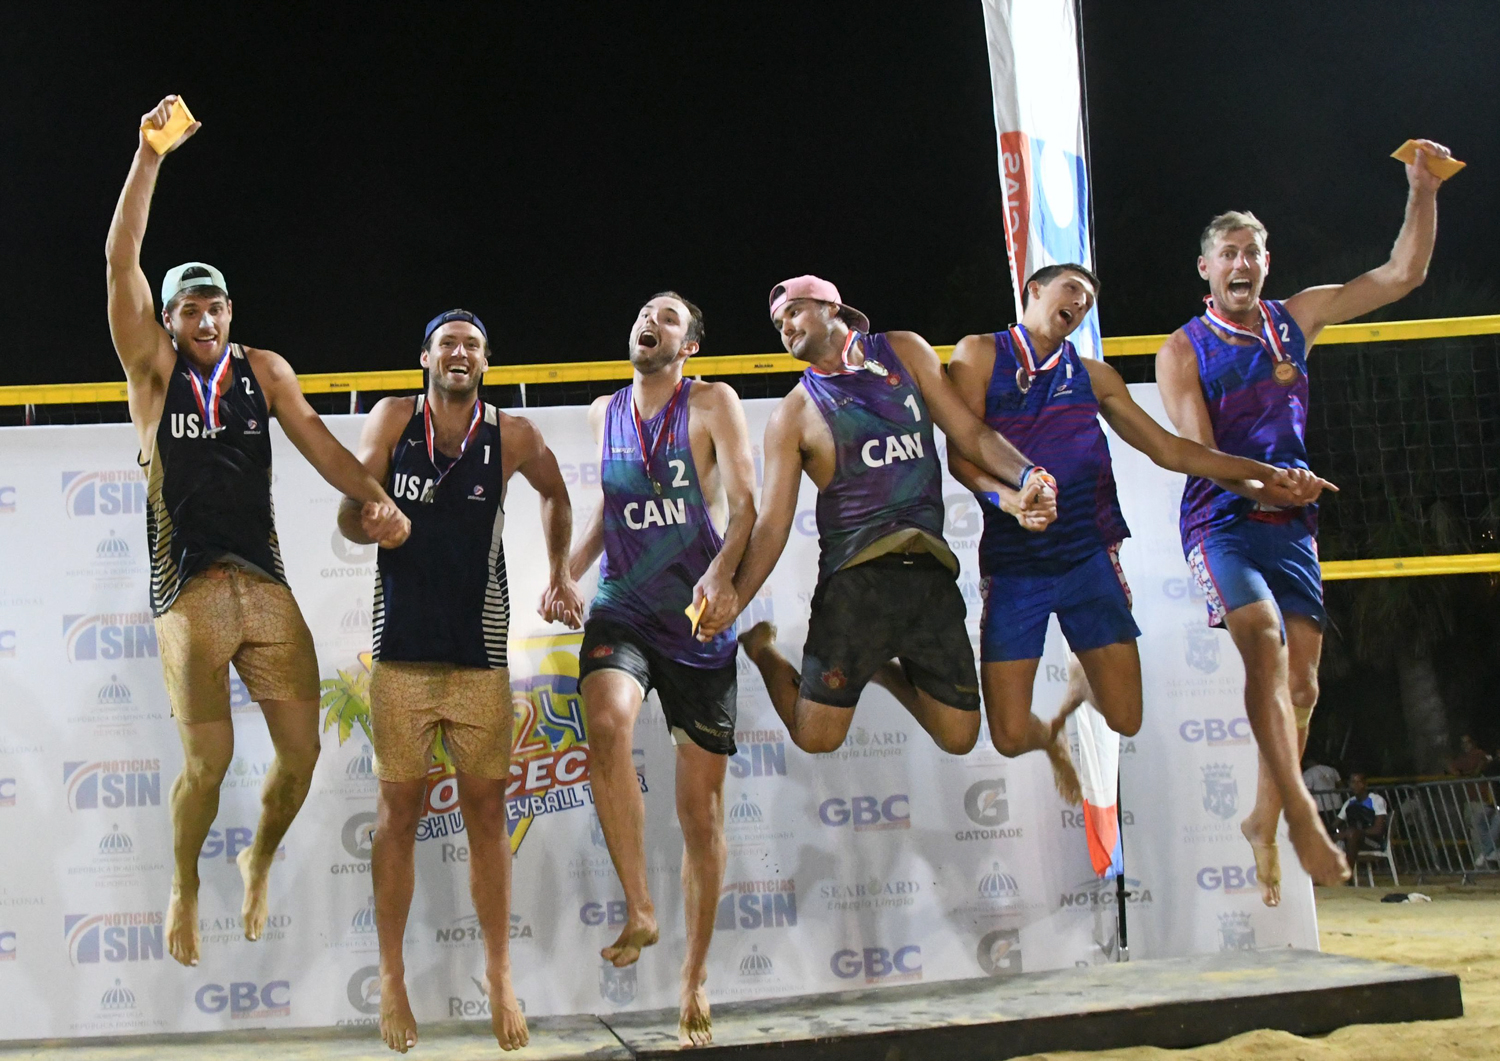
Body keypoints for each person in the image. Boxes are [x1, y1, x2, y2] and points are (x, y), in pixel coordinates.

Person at [105, 96, 411, 968]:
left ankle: (259, 857)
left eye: (215, 308)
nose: (204, 322)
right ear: (168, 319)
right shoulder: (152, 371)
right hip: (188, 593)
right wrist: (149, 157)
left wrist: (380, 500)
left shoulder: (264, 370)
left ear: (231, 311)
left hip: (264, 585)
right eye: (189, 310)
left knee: (303, 756)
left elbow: (323, 447)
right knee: (209, 763)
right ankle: (184, 882)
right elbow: (121, 258)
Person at [1156, 139, 1457, 904]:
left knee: (1304, 686)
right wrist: (1268, 479)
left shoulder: (1296, 317)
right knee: (1262, 639)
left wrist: (1422, 188)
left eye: (1251, 252)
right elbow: (1198, 454)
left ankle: (1261, 817)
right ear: (1205, 268)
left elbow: (1403, 274)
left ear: (1266, 263)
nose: (1241, 263)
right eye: (1228, 253)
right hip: (1222, 517)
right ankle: (1295, 816)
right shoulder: (1182, 350)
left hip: (1291, 522)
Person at [947, 264, 1322, 801]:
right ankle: (1052, 737)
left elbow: (1170, 451)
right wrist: (1006, 500)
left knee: (1127, 719)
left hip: (1087, 557)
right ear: (1034, 290)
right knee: (1007, 738)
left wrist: (1264, 474)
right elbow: (961, 454)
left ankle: (1084, 678)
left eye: (1088, 300)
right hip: (1015, 565)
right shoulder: (981, 353)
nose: (1080, 303)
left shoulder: (1094, 377)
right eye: (1072, 290)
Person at [338, 309, 584, 1053]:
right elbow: (349, 512)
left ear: (486, 360)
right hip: (401, 658)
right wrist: (367, 520)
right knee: (397, 818)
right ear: (425, 357)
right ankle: (391, 977)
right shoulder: (392, 419)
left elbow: (557, 494)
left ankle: (500, 975)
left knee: (486, 817)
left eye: (472, 344)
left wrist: (560, 571)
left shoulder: (512, 435)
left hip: (480, 658)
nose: (459, 352)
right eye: (447, 342)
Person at [714, 275, 1055, 760]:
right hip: (856, 584)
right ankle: (762, 649)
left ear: (832, 308)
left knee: (959, 739)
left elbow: (970, 434)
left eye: (793, 311)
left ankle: (883, 670)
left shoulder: (903, 350)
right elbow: (771, 526)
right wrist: (735, 602)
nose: (785, 327)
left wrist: (1028, 475)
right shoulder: (792, 414)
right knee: (816, 738)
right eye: (778, 323)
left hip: (929, 573)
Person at [566, 293, 757, 1048]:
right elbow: (609, 508)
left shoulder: (712, 402)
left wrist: (723, 576)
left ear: (690, 347)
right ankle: (640, 907)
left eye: (670, 316)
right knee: (606, 721)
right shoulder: (602, 412)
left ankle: (694, 978)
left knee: (699, 814)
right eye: (646, 311)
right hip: (623, 606)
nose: (651, 319)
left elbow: (745, 506)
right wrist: (567, 570)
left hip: (697, 615)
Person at [1334, 772, 1389, 876]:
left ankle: (1347, 876)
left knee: (1351, 833)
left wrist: (1355, 833)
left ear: (1365, 784)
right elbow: (1335, 824)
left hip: (1373, 842)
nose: (1355, 785)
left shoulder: (1376, 800)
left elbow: (1378, 829)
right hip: (1352, 839)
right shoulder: (1349, 803)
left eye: (1358, 782)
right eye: (1352, 782)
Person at [1301, 753, 1343, 828]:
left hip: (1320, 806)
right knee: (1337, 826)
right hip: (1336, 804)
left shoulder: (1309, 773)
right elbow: (1340, 785)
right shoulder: (1331, 770)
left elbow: (1307, 791)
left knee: (1324, 828)